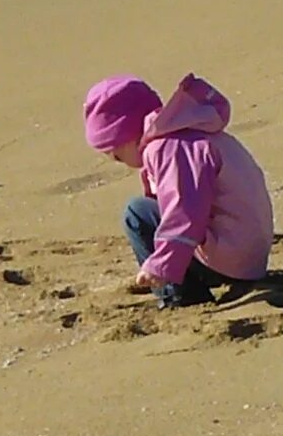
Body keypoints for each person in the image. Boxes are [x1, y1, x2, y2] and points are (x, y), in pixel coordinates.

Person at [81, 73, 273, 308]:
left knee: (138, 213)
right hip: (247, 254)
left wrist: (161, 265)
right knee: (152, 211)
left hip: (231, 259)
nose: (112, 158)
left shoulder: (168, 148)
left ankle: (179, 297)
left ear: (130, 134)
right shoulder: (187, 132)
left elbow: (184, 210)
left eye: (114, 152)